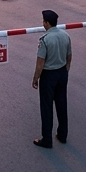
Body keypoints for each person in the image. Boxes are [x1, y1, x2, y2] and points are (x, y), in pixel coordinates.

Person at [32, 9, 71, 148]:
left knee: (47, 107)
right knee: (62, 105)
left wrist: (36, 78)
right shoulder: (65, 35)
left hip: (49, 76)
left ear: (47, 23)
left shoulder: (45, 39)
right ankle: (62, 134)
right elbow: (69, 56)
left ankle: (46, 139)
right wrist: (66, 69)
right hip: (62, 73)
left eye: (43, 21)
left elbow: (40, 63)